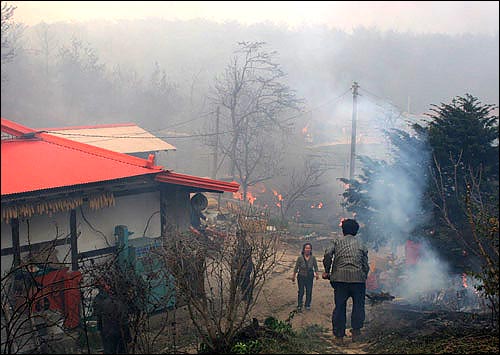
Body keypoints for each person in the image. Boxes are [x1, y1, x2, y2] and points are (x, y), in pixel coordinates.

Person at [322, 218, 369, 345]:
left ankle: (339, 336)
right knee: (358, 306)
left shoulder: (336, 241)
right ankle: (356, 333)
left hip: (340, 279)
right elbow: (365, 264)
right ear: (356, 231)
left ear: (343, 230)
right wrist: (364, 275)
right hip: (358, 280)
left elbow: (327, 255)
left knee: (340, 307)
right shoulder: (361, 244)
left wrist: (327, 271)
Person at [93, 283, 131, 354]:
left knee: (110, 350)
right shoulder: (116, 299)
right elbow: (124, 319)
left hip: (107, 333)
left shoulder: (97, 300)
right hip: (117, 332)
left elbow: (98, 317)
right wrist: (128, 337)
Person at [292, 242, 319, 312]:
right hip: (301, 276)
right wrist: (293, 276)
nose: (308, 249)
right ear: (304, 249)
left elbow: (315, 266)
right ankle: (299, 305)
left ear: (311, 249)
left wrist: (317, 274)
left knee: (309, 291)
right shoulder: (300, 258)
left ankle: (307, 305)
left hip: (310, 276)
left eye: (309, 248)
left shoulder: (313, 258)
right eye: (306, 248)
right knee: (301, 291)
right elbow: (296, 267)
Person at [232, 229, 254, 302]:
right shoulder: (240, 244)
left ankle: (248, 298)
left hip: (245, 267)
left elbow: (244, 258)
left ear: (243, 236)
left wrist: (242, 267)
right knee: (242, 282)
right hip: (242, 267)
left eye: (240, 236)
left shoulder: (245, 245)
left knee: (246, 282)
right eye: (238, 236)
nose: (238, 237)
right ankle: (245, 297)